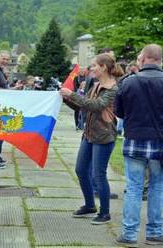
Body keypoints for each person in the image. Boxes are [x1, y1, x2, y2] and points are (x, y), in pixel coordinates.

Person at [61, 53, 123, 225]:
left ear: (103, 67)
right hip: (88, 135)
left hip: (104, 137)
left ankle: (105, 213)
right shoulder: (95, 85)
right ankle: (90, 205)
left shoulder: (113, 89)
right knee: (81, 170)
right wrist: (66, 98)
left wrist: (72, 95)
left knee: (98, 175)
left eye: (94, 65)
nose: (91, 68)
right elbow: (84, 105)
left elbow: (96, 106)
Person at [114, 44, 163, 247]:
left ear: (142, 59)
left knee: (134, 188)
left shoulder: (127, 82)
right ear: (159, 60)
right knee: (157, 188)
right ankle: (155, 233)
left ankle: (129, 233)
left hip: (134, 141)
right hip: (160, 143)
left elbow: (120, 113)